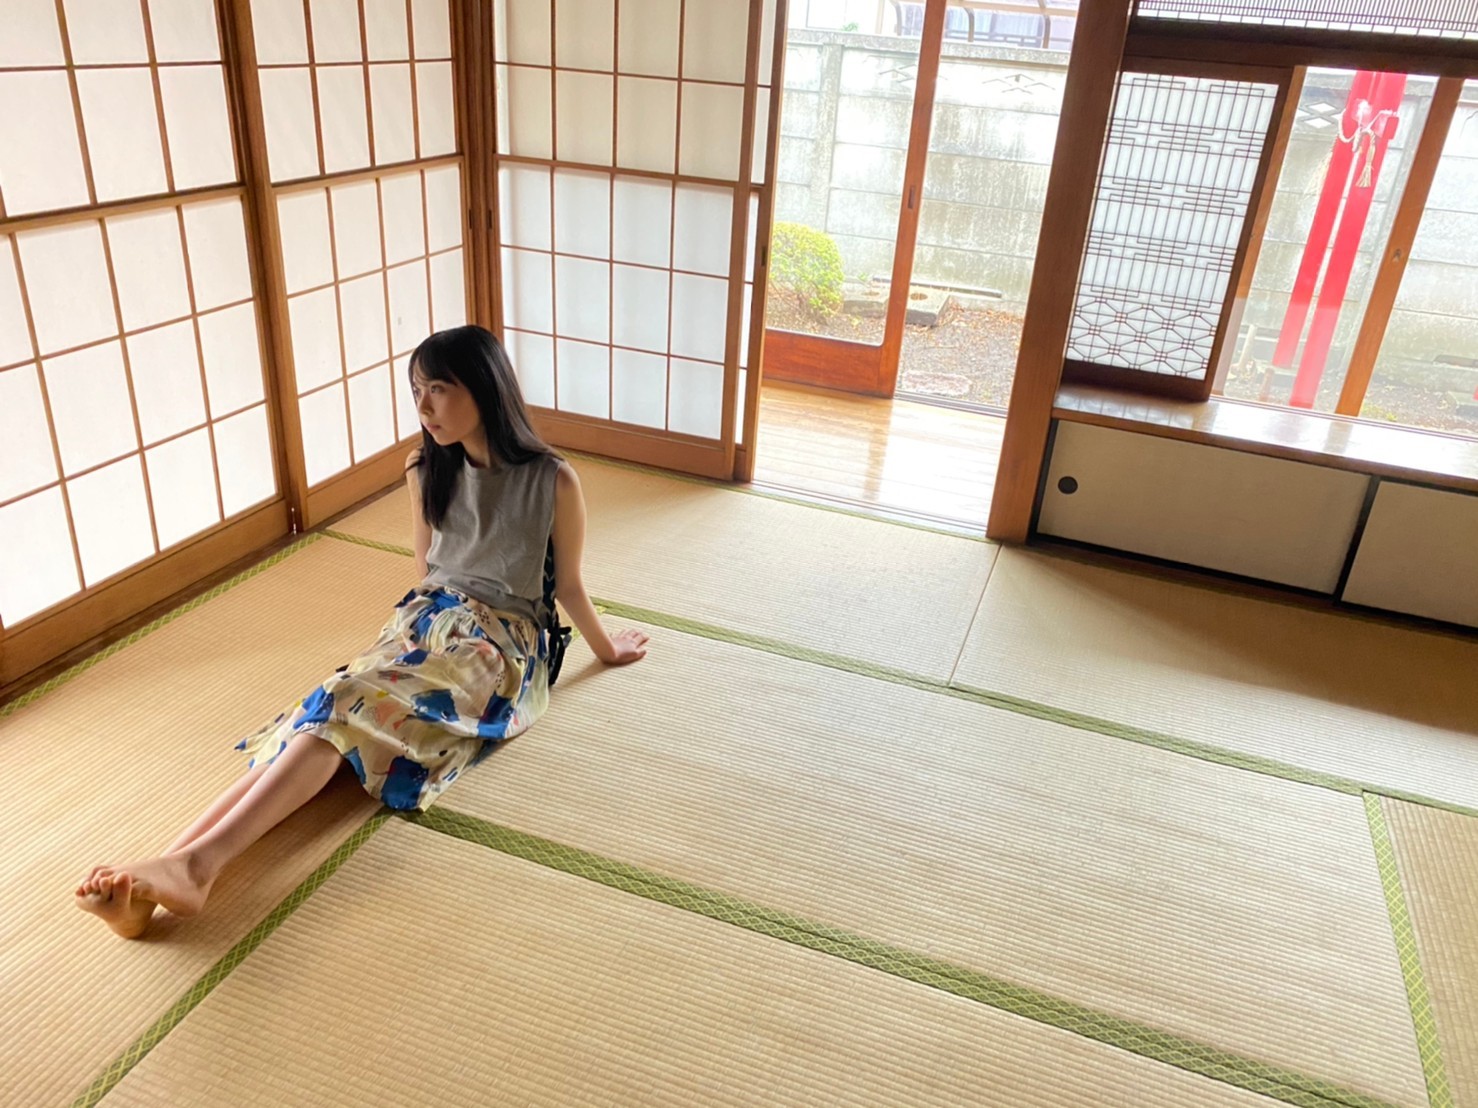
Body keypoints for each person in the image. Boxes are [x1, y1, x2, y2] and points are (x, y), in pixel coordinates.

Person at [74, 325, 648, 939]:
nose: (423, 406)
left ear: (485, 389)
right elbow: (426, 571)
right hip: (427, 620)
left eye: (438, 389)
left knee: (349, 702)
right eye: (416, 390)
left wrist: (606, 648)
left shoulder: (552, 480)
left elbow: (565, 587)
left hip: (501, 645)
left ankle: (191, 865)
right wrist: (408, 642)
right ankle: (164, 873)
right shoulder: (426, 466)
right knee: (329, 702)